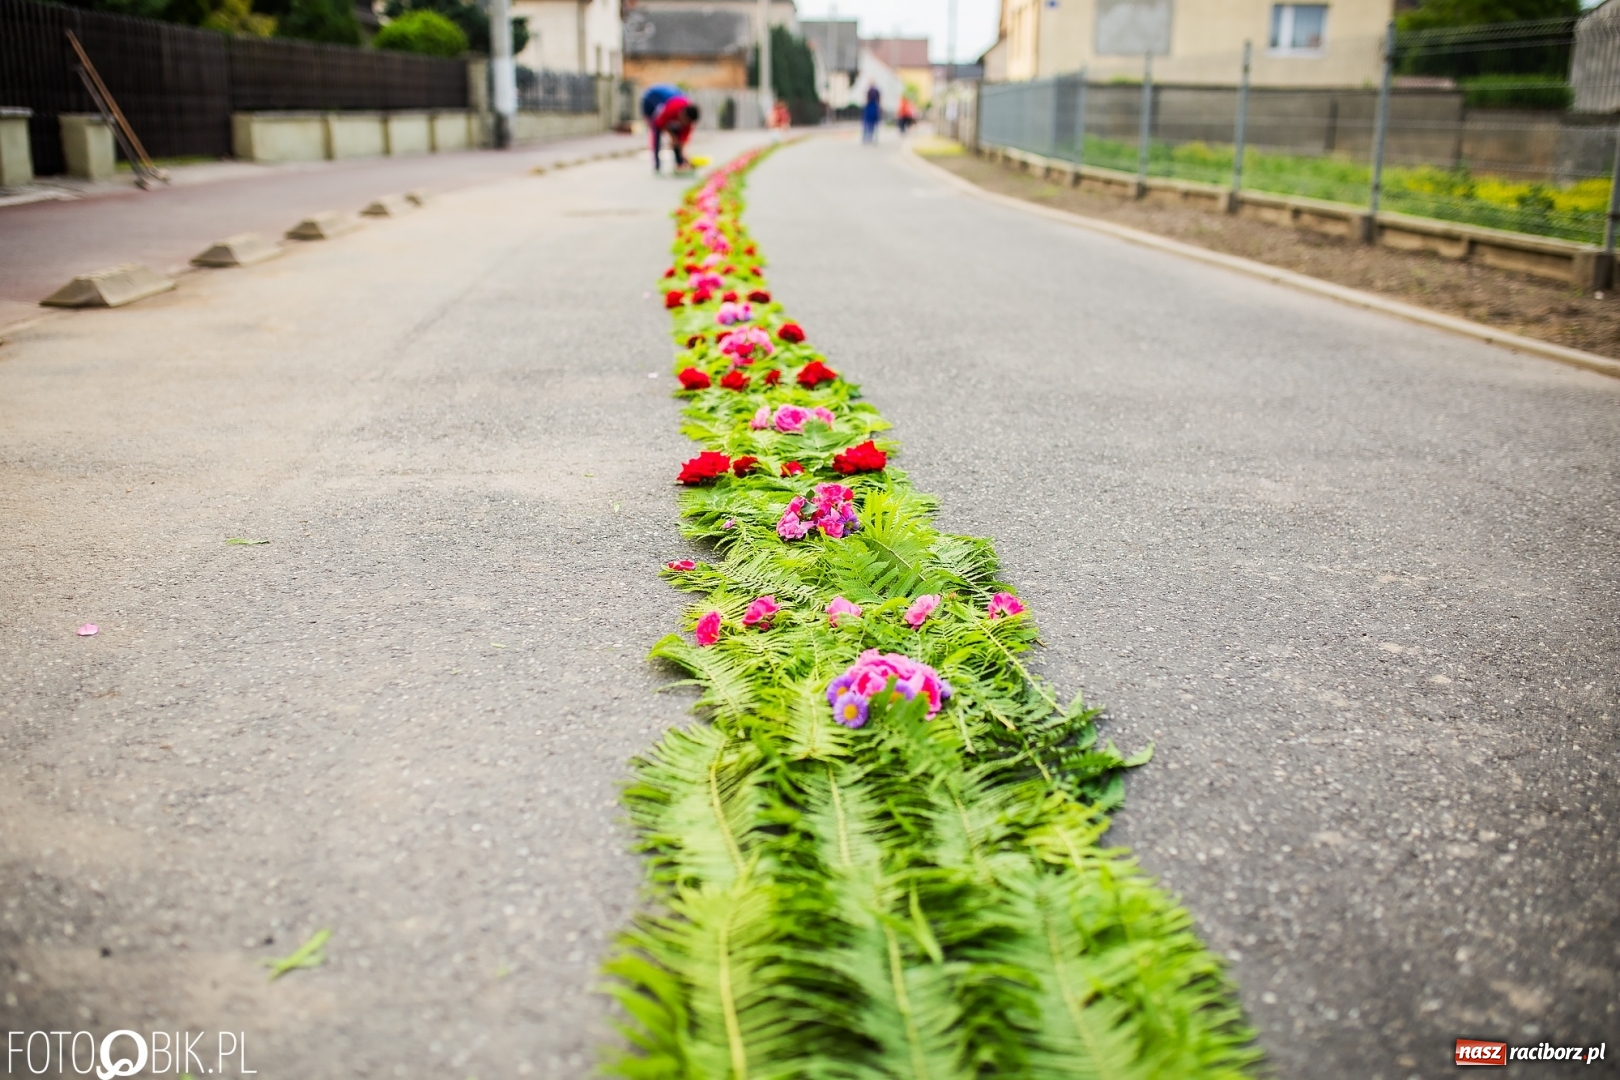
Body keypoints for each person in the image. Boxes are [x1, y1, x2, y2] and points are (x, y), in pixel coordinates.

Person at [640, 83, 700, 173]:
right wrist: (672, 136)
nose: (685, 124)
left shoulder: (688, 123)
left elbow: (682, 142)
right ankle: (657, 165)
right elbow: (659, 122)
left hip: (669, 99)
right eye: (685, 121)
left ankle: (679, 164)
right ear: (683, 115)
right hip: (650, 99)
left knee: (677, 134)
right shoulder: (672, 108)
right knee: (656, 130)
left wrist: (685, 156)